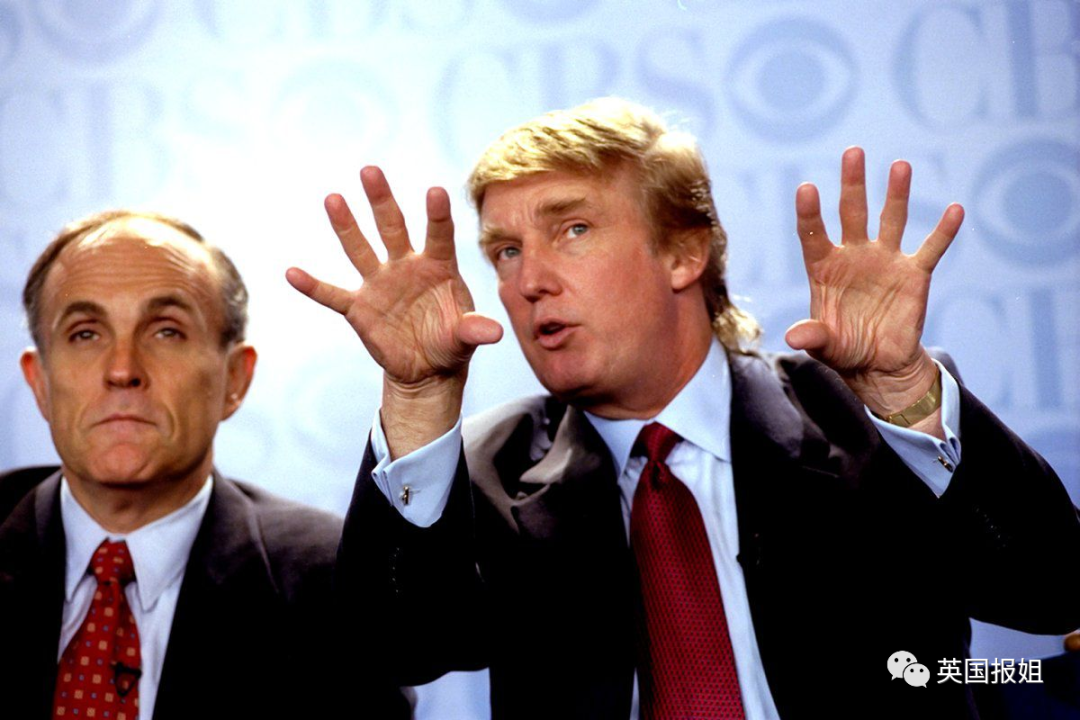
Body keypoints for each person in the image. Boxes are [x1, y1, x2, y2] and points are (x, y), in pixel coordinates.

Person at [288, 98, 1080, 719]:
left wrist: (904, 390)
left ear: (684, 251)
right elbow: (398, 647)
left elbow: (1054, 591)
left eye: (573, 229)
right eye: (506, 250)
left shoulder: (860, 423)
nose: (529, 281)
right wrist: (420, 398)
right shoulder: (490, 470)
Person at [0, 210, 411, 720]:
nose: (122, 370)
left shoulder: (329, 582)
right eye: (85, 334)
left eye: (166, 332)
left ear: (235, 379)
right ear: (39, 382)